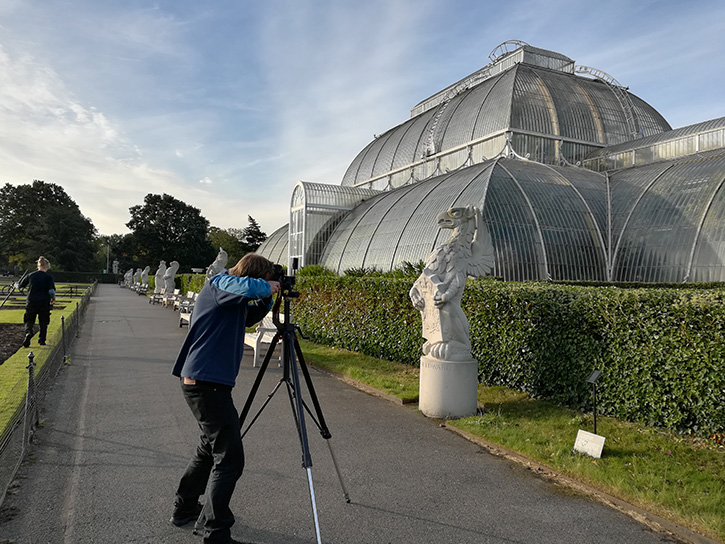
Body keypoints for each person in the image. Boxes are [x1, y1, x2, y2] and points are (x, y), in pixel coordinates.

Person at [171, 253, 281, 544]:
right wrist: (266, 287)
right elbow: (249, 289)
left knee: (208, 449)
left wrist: (270, 296)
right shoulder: (220, 283)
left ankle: (183, 509)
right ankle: (216, 532)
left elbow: (249, 317)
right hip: (207, 384)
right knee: (230, 457)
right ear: (252, 276)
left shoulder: (228, 299)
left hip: (205, 382)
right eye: (264, 279)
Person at [19, 256, 56, 348]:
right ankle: (42, 340)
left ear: (38, 266)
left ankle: (28, 333)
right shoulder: (49, 277)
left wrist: (17, 285)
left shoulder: (31, 275)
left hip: (31, 301)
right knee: (43, 322)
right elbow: (51, 291)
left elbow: (21, 286)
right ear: (47, 266)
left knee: (29, 320)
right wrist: (53, 298)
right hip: (44, 302)